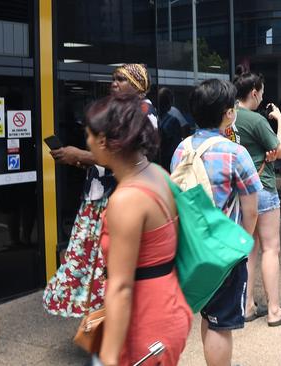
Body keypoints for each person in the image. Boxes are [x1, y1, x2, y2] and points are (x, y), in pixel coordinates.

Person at [87, 93, 192, 366]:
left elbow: (121, 286)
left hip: (145, 320)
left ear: (102, 141)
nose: (86, 142)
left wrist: (108, 357)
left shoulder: (127, 199)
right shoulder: (158, 174)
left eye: (88, 135)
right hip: (168, 306)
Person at [43, 63, 155, 317]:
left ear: (138, 86)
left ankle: (115, 321)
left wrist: (80, 153)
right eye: (113, 79)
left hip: (117, 198)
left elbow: (126, 156)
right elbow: (107, 157)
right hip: (97, 196)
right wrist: (81, 160)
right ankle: (100, 318)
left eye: (121, 79)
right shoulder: (118, 111)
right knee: (92, 261)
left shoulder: (144, 111)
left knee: (111, 262)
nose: (113, 83)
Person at [171, 79, 262, 365]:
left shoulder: (181, 149)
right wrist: (242, 242)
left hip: (191, 247)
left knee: (208, 314)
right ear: (227, 113)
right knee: (221, 322)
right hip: (223, 250)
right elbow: (252, 210)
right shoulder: (235, 153)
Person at [232, 69, 281, 327]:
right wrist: (280, 119)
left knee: (249, 249)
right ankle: (274, 310)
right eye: (261, 92)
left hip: (238, 191)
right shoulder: (255, 119)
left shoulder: (228, 118)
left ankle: (246, 306)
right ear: (254, 92)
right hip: (262, 187)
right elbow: (279, 150)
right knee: (271, 248)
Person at [158, 87, 187, 171]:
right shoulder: (173, 121)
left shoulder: (153, 116)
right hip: (169, 162)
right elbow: (176, 146)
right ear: (169, 102)